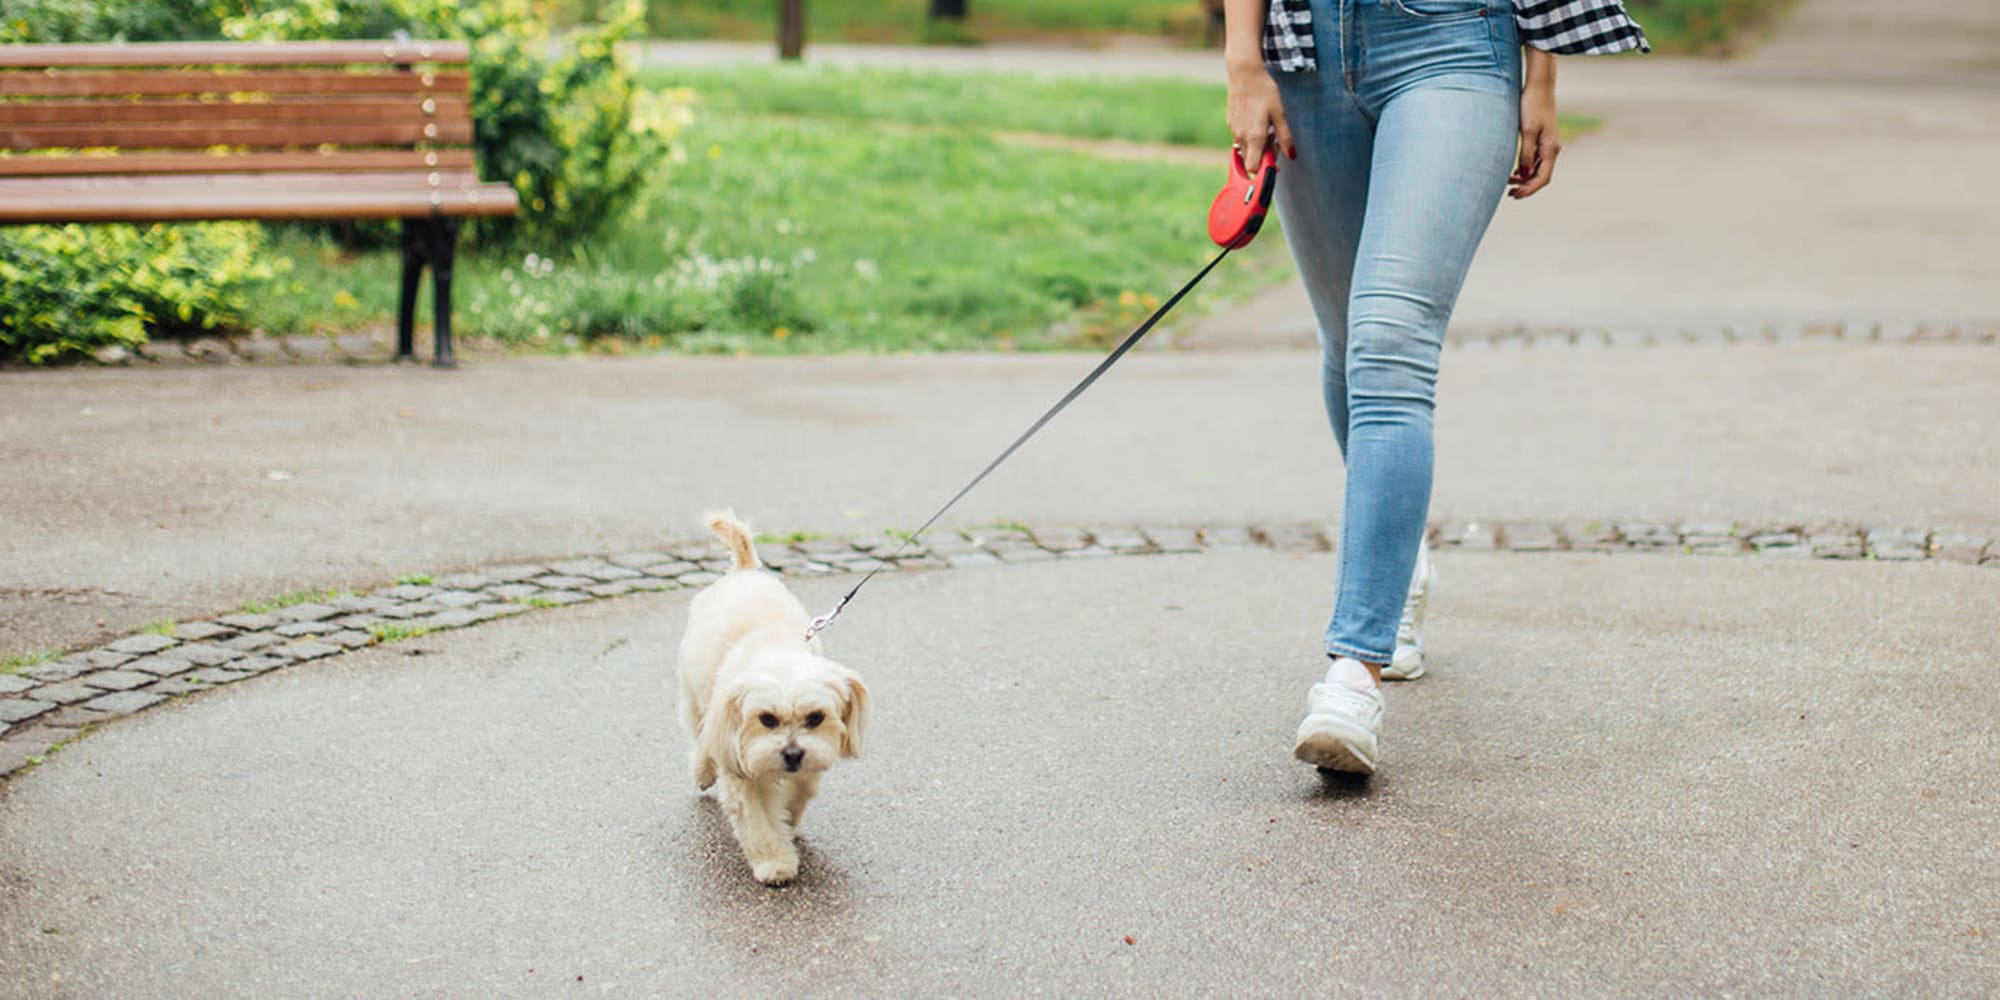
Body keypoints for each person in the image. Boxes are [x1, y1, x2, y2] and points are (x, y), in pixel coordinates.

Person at [1221, 0, 1648, 775]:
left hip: (1452, 41)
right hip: (1304, 56)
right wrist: (1243, 64)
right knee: (1350, 343)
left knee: (1388, 347)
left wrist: (1541, 75)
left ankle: (1353, 671)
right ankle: (1400, 559)